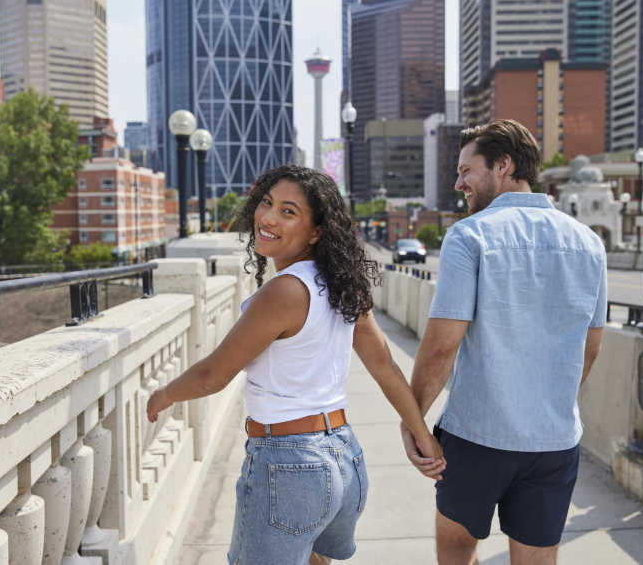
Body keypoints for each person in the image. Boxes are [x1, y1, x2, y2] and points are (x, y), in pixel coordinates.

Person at [147, 165, 444, 565]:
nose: (268, 218)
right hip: (344, 457)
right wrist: (424, 438)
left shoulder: (285, 291)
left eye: (288, 212)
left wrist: (164, 395)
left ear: (317, 231)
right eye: (266, 203)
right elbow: (385, 367)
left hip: (290, 466)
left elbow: (211, 376)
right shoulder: (340, 285)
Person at [401, 120, 607, 565]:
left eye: (465, 170)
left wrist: (413, 420)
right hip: (554, 440)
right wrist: (549, 403)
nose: (459, 183)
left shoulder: (470, 235)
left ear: (503, 164)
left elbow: (441, 347)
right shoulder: (589, 243)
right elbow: (590, 347)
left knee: (456, 551)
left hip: (478, 436)